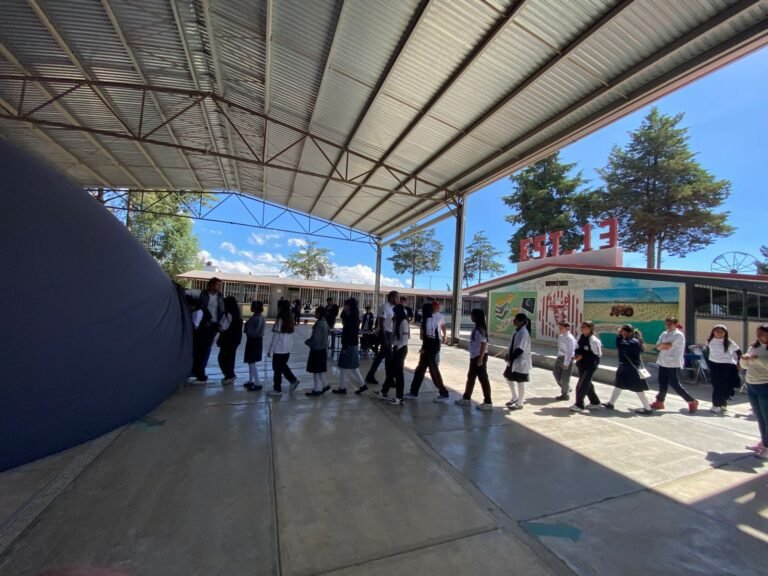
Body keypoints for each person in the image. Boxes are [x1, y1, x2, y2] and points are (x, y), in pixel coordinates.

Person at [651, 317, 699, 413]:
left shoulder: (678, 335)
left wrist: (664, 345)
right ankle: (660, 401)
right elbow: (658, 346)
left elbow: (668, 345)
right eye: (667, 324)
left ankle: (691, 401)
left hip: (673, 363)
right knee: (662, 382)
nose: (668, 326)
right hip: (663, 361)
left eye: (670, 324)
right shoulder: (664, 334)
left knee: (674, 383)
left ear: (676, 324)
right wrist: (664, 345)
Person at [602, 325, 653, 414]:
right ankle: (611, 403)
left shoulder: (632, 342)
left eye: (622, 330)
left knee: (638, 388)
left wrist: (619, 335)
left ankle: (647, 408)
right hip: (625, 367)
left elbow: (620, 345)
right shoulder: (631, 340)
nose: (620, 332)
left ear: (627, 332)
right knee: (618, 385)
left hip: (631, 368)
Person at [406, 302, 451, 402]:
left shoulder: (435, 318)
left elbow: (432, 336)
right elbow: (424, 335)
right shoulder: (426, 319)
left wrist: (425, 348)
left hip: (432, 346)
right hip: (428, 345)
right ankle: (414, 392)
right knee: (421, 369)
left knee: (432, 369)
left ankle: (443, 392)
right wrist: (424, 346)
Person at [456, 309, 493, 411]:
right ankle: (466, 398)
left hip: (479, 357)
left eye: (472, 315)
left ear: (476, 317)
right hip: (474, 356)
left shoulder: (480, 330)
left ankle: (488, 401)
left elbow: (483, 344)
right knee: (471, 377)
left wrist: (480, 359)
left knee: (483, 379)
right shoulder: (476, 328)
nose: (470, 317)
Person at [740, 325, 768, 459]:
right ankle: (763, 442)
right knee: (760, 417)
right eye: (758, 334)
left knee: (767, 418)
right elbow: (745, 366)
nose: (759, 337)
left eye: (762, 334)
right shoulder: (754, 346)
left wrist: (757, 359)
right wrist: (744, 359)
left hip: (765, 385)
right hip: (751, 384)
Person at [334, 298, 368, 395]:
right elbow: (342, 317)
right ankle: (361, 385)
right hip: (352, 344)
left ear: (349, 306)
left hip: (349, 344)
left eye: (345, 305)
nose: (343, 307)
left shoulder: (351, 318)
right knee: (352, 367)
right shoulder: (352, 316)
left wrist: (344, 346)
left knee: (344, 366)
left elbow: (349, 333)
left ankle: (343, 388)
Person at [193, 277, 224, 382]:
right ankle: (197, 371)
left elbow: (222, 310)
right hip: (203, 325)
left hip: (214, 326)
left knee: (206, 349)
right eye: (218, 285)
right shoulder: (202, 294)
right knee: (199, 348)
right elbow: (188, 292)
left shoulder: (220, 296)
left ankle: (200, 371)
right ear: (211, 285)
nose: (220, 287)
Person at [705, 324, 741, 413]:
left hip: (726, 365)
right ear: (713, 332)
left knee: (723, 385)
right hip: (714, 364)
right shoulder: (709, 341)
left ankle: (717, 404)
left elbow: (738, 352)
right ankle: (721, 403)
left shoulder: (729, 342)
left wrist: (739, 363)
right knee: (716, 385)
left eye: (721, 332)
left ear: (725, 333)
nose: (719, 333)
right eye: (717, 331)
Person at [378, 304, 410, 405]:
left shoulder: (404, 322)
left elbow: (404, 339)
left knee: (399, 374)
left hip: (401, 350)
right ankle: (384, 392)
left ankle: (400, 397)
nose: (394, 314)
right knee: (391, 371)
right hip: (397, 348)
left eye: (395, 312)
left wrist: (396, 348)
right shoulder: (397, 321)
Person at [267, 300, 300, 396]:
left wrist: (270, 350)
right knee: (282, 367)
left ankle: (277, 389)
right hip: (287, 349)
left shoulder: (280, 319)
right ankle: (293, 380)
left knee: (277, 369)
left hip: (279, 349)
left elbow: (276, 336)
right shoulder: (290, 318)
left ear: (280, 308)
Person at [365, 291, 399, 385]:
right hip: (385, 333)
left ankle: (370, 375)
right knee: (389, 357)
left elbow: (392, 322)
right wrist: (384, 339)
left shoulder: (393, 308)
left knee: (381, 356)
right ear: (391, 297)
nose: (398, 299)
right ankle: (390, 380)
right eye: (397, 297)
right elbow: (381, 323)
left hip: (390, 333)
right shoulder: (385, 307)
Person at [570, 321, 603, 414]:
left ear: (590, 328)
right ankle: (595, 402)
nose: (583, 328)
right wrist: (576, 355)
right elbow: (576, 347)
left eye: (585, 327)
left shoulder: (594, 340)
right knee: (587, 383)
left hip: (590, 365)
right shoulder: (580, 337)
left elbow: (597, 355)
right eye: (582, 327)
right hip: (581, 364)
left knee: (582, 384)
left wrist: (583, 356)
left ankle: (579, 404)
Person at [504, 313, 532, 410]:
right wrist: (508, 354)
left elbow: (520, 349)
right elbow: (512, 345)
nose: (514, 321)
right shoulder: (516, 332)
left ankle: (520, 403)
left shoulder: (524, 333)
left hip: (520, 361)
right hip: (513, 360)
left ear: (521, 322)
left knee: (520, 382)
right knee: (508, 377)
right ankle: (514, 397)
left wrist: (511, 357)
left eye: (516, 319)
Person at [217, 296, 243, 385]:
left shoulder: (228, 315)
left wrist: (216, 326)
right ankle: (230, 375)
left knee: (222, 358)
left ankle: (229, 375)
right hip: (235, 340)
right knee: (230, 358)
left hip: (227, 340)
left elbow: (223, 328)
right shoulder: (237, 315)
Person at [305, 307, 330, 396]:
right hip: (323, 349)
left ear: (319, 314)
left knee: (315, 370)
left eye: (316, 312)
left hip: (317, 349)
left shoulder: (319, 324)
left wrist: (308, 342)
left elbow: (315, 338)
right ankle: (325, 385)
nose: (315, 314)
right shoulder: (325, 322)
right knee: (319, 369)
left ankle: (317, 389)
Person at [243, 300, 265, 391]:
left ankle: (257, 383)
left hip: (253, 341)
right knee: (251, 362)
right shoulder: (260, 317)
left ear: (255, 308)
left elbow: (251, 332)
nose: (250, 307)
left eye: (252, 306)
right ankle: (251, 380)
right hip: (257, 340)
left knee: (251, 361)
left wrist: (246, 327)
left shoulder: (255, 318)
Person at [553, 321, 577, 401]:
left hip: (566, 359)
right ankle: (566, 387)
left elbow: (570, 351)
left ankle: (565, 394)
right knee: (556, 373)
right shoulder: (561, 336)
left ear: (567, 328)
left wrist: (566, 362)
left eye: (561, 327)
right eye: (559, 327)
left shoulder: (569, 338)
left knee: (565, 378)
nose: (560, 328)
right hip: (560, 358)